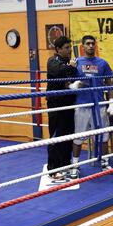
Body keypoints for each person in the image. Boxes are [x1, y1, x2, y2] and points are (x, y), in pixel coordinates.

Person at [70, 35, 113, 179]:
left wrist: (111, 102)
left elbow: (110, 84)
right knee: (78, 137)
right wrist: (73, 85)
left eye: (92, 43)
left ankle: (105, 163)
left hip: (99, 105)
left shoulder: (103, 63)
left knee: (103, 136)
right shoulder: (76, 62)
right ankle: (75, 166)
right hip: (82, 105)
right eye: (88, 44)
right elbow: (67, 81)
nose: (90, 46)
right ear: (83, 46)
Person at [46, 36, 82, 180]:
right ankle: (53, 169)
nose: (69, 50)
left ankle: (65, 164)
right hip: (56, 105)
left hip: (68, 104)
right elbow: (58, 72)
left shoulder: (69, 63)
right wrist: (71, 67)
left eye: (69, 47)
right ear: (58, 49)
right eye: (66, 48)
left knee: (68, 135)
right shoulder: (52, 61)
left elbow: (71, 80)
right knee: (56, 136)